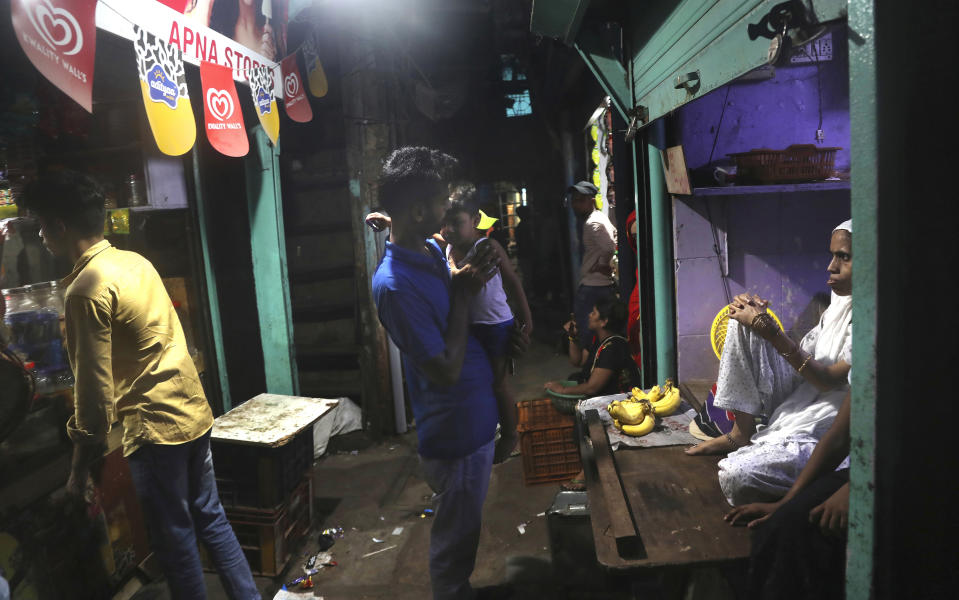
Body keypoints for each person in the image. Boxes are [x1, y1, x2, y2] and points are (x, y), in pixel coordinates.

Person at [19, 171, 259, 600]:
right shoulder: (135, 262)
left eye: (40, 224)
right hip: (192, 411)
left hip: (155, 429)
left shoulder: (85, 290)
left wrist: (77, 471)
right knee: (211, 517)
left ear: (59, 226)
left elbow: (93, 399)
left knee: (177, 539)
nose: (40, 235)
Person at [370, 147, 527, 600]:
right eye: (441, 203)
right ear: (419, 210)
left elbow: (460, 326)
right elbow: (442, 369)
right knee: (453, 544)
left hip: (473, 425)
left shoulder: (429, 251)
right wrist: (462, 295)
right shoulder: (395, 286)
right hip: (454, 435)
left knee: (465, 532)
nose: (446, 212)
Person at [686, 220, 853, 507]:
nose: (831, 266)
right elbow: (804, 356)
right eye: (832, 255)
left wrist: (771, 333)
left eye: (844, 257)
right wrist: (756, 317)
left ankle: (786, 464)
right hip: (803, 396)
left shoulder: (875, 314)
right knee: (739, 318)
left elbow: (826, 380)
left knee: (735, 475)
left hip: (828, 420)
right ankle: (741, 433)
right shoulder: (838, 304)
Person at [725, 384, 853, 600]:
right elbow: (839, 438)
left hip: (908, 478)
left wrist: (856, 490)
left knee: (813, 539)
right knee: (777, 528)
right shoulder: (873, 365)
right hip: (863, 471)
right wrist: (786, 502)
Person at [441, 185, 533, 464]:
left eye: (457, 223)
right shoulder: (447, 249)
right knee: (477, 381)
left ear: (473, 221)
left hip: (495, 326)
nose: (450, 229)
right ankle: (488, 426)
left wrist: (527, 321)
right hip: (468, 328)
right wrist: (389, 222)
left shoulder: (488, 247)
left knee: (499, 383)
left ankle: (510, 435)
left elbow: (514, 283)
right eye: (446, 224)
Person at [545, 296, 640, 491]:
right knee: (575, 376)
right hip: (604, 395)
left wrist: (562, 389)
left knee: (583, 424)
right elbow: (578, 361)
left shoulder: (613, 347)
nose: (589, 315)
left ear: (604, 321)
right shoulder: (600, 340)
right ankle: (588, 467)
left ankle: (588, 473)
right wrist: (573, 338)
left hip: (619, 402)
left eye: (594, 312)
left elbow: (592, 387)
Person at [569, 181, 617, 348]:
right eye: (574, 200)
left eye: (580, 200)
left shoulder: (592, 223)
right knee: (601, 332)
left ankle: (590, 366)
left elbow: (609, 246)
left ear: (591, 200)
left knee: (586, 330)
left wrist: (601, 265)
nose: (575, 205)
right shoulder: (599, 217)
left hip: (593, 286)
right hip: (599, 285)